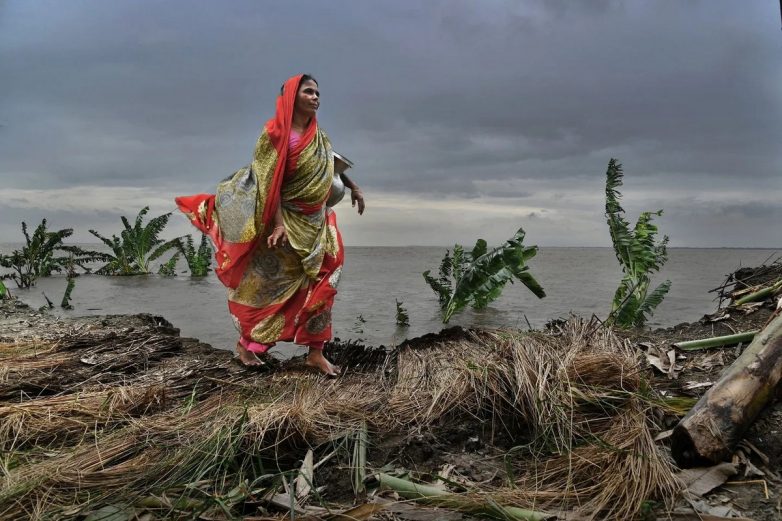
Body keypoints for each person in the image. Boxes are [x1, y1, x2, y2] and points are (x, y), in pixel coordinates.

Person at [175, 74, 365, 376]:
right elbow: (268, 185)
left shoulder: (320, 136)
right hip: (287, 221)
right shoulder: (275, 135)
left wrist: (353, 187)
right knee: (267, 286)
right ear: (292, 96)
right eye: (309, 92)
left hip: (318, 221)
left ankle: (316, 352)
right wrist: (277, 225)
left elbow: (330, 164)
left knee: (327, 279)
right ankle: (247, 346)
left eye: (318, 92)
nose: (316, 97)